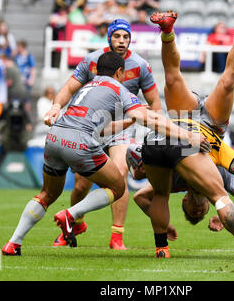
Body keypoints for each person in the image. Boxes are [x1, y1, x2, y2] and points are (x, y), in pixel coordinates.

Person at [2, 51, 209, 255]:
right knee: (117, 187)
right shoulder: (119, 89)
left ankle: (13, 243)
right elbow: (152, 120)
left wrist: (129, 121)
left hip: (55, 136)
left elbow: (101, 130)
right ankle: (71, 214)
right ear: (120, 72)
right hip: (80, 141)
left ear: (98, 70)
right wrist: (188, 137)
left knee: (47, 194)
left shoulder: (87, 87)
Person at [142, 4, 234, 261]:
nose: (196, 208)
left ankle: (167, 31)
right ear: (207, 207)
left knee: (172, 79)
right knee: (227, 82)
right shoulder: (216, 180)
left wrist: (139, 164)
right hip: (212, 126)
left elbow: (142, 197)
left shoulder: (177, 183)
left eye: (192, 211)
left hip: (181, 121)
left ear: (183, 202)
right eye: (199, 212)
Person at [43, 19, 161, 250]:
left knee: (120, 173)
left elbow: (154, 100)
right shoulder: (91, 60)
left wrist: (152, 133)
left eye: (126, 37)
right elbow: (68, 88)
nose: (122, 41)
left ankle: (117, 236)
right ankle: (75, 224)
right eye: (117, 36)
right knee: (80, 185)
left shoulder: (141, 65)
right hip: (91, 128)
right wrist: (56, 106)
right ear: (109, 38)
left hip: (122, 127)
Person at [126, 143, 234, 235]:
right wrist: (229, 214)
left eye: (193, 212)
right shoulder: (219, 179)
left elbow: (139, 197)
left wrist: (161, 222)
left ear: (185, 200)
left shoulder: (174, 182)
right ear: (209, 203)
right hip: (209, 141)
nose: (198, 210)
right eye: (201, 212)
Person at [14, 40, 37, 111]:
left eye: (19, 46)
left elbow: (33, 68)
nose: (18, 48)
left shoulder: (29, 56)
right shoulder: (16, 56)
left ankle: (27, 115)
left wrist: (31, 79)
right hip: (18, 80)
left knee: (26, 99)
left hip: (26, 80)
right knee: (17, 98)